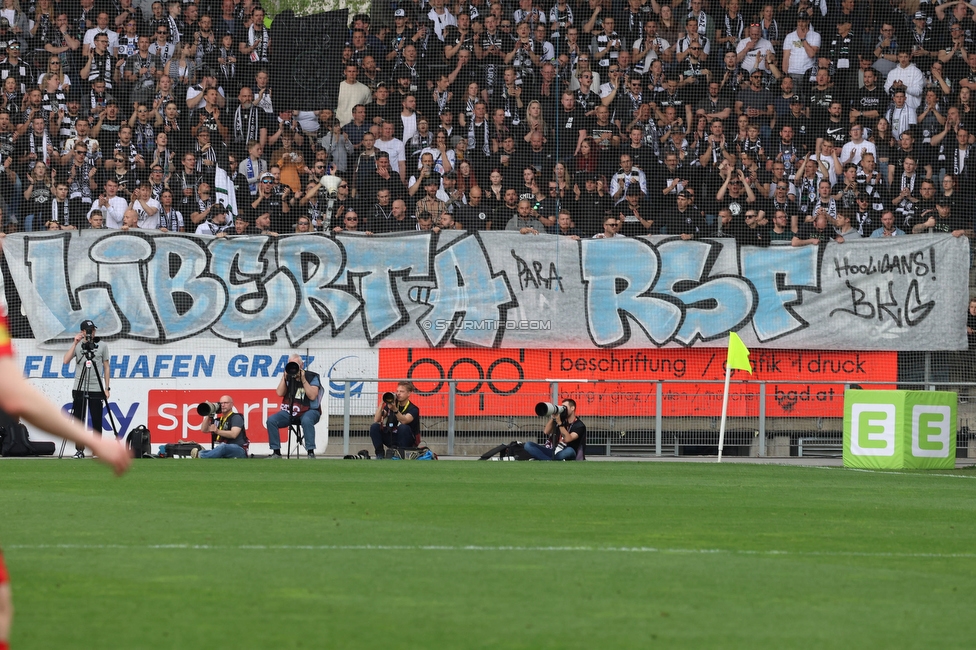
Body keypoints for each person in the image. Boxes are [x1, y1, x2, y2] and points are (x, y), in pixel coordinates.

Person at [62, 319, 110, 459]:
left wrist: (107, 388)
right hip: (79, 386)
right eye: (89, 331)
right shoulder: (78, 346)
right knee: (79, 420)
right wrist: (75, 342)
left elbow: (106, 367)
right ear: (82, 332)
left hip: (96, 387)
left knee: (96, 420)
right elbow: (65, 361)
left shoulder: (102, 345)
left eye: (93, 330)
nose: (92, 333)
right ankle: (79, 450)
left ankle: (97, 449)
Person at [266, 354, 322, 459]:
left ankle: (310, 452)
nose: (293, 368)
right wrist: (284, 377)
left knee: (306, 420)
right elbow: (279, 393)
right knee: (271, 420)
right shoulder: (288, 377)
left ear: (302, 365)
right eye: (290, 365)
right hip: (290, 410)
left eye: (295, 365)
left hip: (310, 410)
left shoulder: (312, 377)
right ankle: (276, 452)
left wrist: (303, 379)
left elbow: (313, 396)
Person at [369, 381, 420, 459]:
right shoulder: (392, 404)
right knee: (374, 427)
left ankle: (401, 454)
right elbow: (377, 419)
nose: (398, 394)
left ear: (409, 393)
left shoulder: (413, 409)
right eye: (397, 391)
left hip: (407, 439)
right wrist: (382, 403)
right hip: (392, 435)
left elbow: (405, 421)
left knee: (403, 427)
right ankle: (380, 454)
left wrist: (395, 410)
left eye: (402, 391)